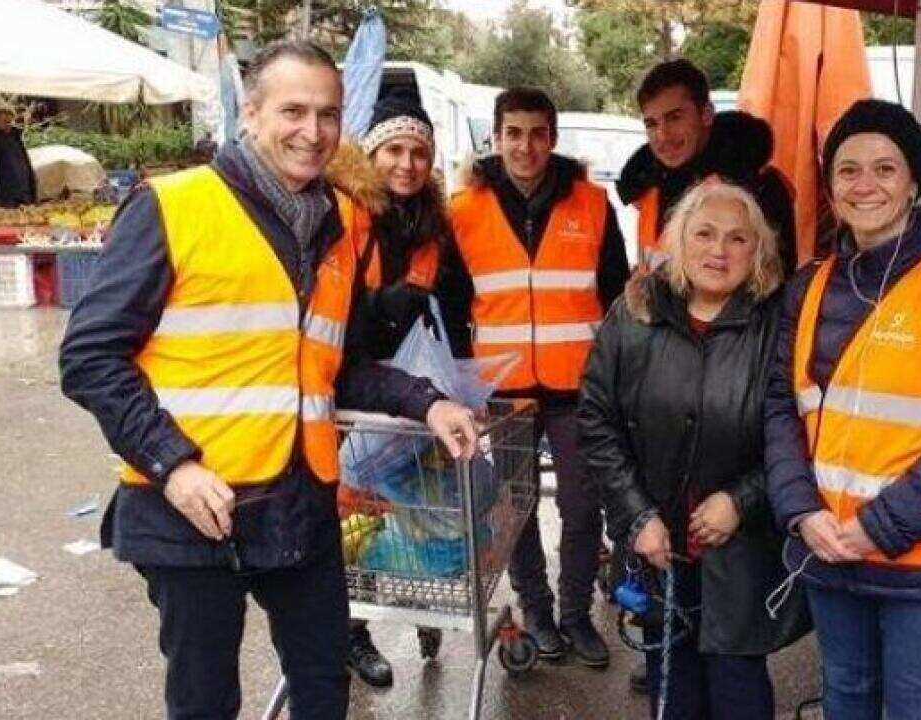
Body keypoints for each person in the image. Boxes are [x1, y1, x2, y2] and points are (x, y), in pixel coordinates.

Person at [59, 41, 477, 720]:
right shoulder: (174, 206)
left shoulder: (343, 223)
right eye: (293, 111)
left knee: (322, 686)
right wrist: (173, 464)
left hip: (301, 505)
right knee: (205, 703)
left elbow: (333, 366)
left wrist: (427, 402)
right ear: (250, 113)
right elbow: (89, 356)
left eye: (328, 114)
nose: (312, 132)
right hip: (194, 511)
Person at [765, 99, 921, 720]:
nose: (865, 184)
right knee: (845, 695)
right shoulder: (812, 281)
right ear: (829, 188)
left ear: (914, 182)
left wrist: (879, 528)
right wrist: (801, 510)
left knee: (915, 708)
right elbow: (779, 407)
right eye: (848, 170)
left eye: (885, 167)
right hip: (828, 543)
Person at [579, 181, 811, 718]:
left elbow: (799, 430)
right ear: (678, 241)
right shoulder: (635, 311)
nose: (719, 250)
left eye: (737, 239)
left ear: (760, 252)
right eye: (704, 234)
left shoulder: (780, 325)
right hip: (660, 546)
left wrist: (743, 499)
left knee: (737, 685)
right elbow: (597, 420)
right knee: (673, 687)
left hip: (743, 550)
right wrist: (637, 518)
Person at [449, 87, 630, 667]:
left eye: (537, 133)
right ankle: (538, 611)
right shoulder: (464, 208)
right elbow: (453, 307)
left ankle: (576, 615)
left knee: (582, 507)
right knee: (517, 508)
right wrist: (462, 387)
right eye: (514, 133)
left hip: (578, 389)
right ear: (496, 138)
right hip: (502, 392)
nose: (526, 146)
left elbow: (618, 296)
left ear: (552, 138)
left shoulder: (592, 203)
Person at [324, 95, 473, 688]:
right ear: (370, 152)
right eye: (394, 150)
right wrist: (386, 310)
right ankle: (353, 633)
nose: (407, 164)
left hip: (423, 399)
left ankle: (423, 606)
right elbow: (338, 314)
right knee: (358, 520)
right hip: (358, 397)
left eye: (418, 152)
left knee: (421, 510)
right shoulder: (350, 218)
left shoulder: (435, 227)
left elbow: (457, 307)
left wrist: (465, 382)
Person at [619, 58, 796, 275]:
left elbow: (776, 284)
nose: (662, 135)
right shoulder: (647, 187)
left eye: (674, 118)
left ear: (706, 114)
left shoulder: (757, 187)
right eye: (651, 124)